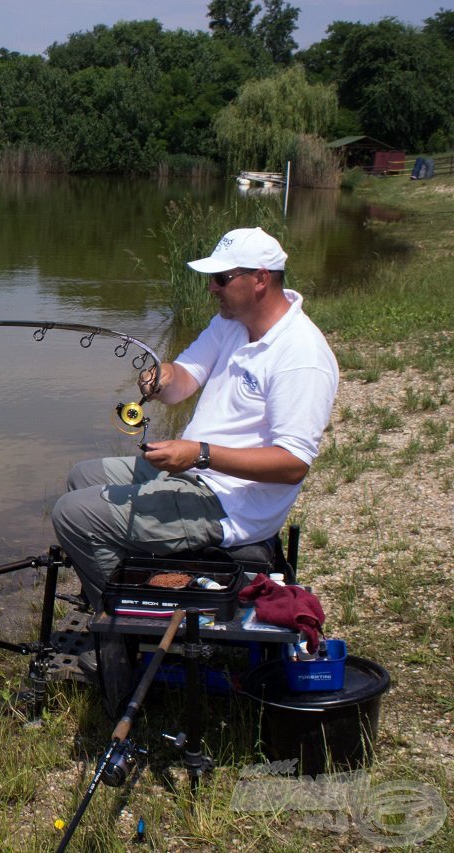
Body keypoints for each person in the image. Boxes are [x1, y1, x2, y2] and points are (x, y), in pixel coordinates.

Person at [51, 227, 339, 611]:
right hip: (196, 474)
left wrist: (199, 454)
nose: (211, 288)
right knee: (83, 477)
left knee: (72, 514)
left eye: (221, 279)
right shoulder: (231, 323)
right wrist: (162, 377)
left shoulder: (301, 356)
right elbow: (184, 379)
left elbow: (293, 465)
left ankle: (117, 632)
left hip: (232, 504)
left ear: (260, 279)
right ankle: (141, 584)